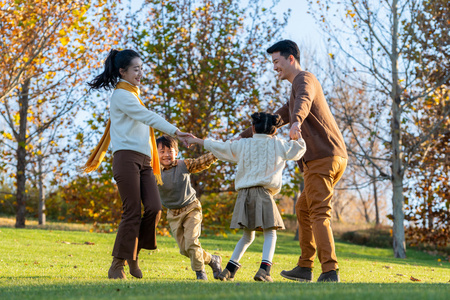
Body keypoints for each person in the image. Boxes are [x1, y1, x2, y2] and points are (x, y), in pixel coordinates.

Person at [240, 40, 348, 282]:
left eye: (276, 62)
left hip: (323, 156)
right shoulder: (295, 91)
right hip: (327, 156)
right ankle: (305, 267)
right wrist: (243, 137)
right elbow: (275, 119)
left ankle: (330, 271)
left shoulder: (304, 79)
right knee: (304, 209)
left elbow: (304, 101)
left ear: (291, 59)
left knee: (319, 213)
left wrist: (297, 120)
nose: (274, 67)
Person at [83, 49, 192, 279]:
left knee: (154, 207)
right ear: (123, 71)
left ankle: (133, 255)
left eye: (142, 68)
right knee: (132, 212)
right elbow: (147, 116)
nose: (140, 73)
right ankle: (117, 265)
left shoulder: (133, 94)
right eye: (136, 69)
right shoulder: (121, 95)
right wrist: (176, 132)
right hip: (126, 159)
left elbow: (145, 117)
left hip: (144, 161)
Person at [188, 112, 306, 282]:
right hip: (264, 193)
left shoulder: (243, 144)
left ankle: (229, 270)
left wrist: (197, 140)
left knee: (247, 236)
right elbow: (298, 151)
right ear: (274, 131)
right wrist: (298, 137)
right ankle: (264, 270)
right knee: (270, 233)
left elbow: (220, 147)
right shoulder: (278, 144)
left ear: (252, 129)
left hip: (244, 195)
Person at [156, 135, 222, 280]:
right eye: (162, 151)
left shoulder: (183, 164)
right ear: (156, 153)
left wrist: (220, 150)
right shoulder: (153, 172)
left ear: (176, 152)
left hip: (191, 208)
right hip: (173, 214)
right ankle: (213, 260)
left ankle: (200, 273)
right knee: (185, 249)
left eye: (170, 151)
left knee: (192, 242)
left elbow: (202, 161)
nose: (166, 154)